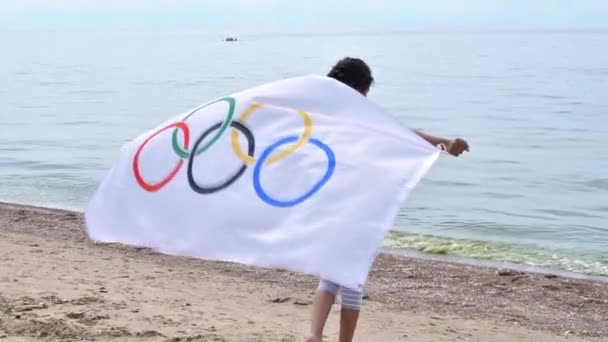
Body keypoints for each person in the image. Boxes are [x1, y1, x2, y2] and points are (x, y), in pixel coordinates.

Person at [306, 57, 469, 342]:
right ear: (359, 89)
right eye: (366, 92)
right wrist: (444, 142)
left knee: (330, 276)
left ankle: (315, 335)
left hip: (329, 205)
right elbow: (403, 135)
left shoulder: (326, 114)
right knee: (353, 281)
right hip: (359, 209)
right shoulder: (360, 114)